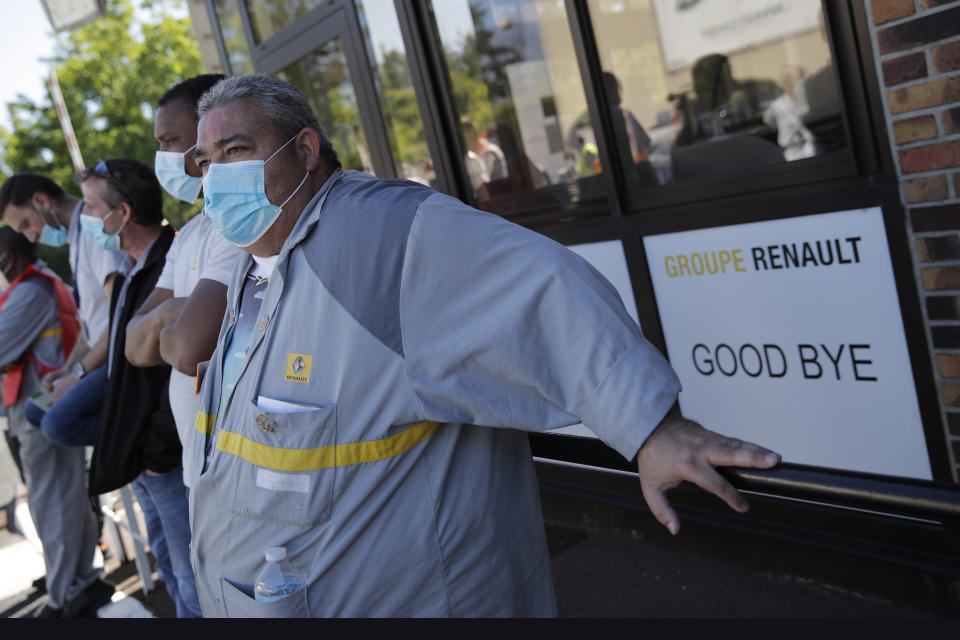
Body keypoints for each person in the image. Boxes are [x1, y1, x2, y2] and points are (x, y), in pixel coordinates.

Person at [187, 74, 780, 617]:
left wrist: (652, 428)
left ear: (306, 150)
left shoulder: (381, 235)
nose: (218, 176)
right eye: (208, 161)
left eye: (237, 151)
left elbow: (543, 286)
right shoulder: (257, 260)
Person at [78, 158, 202, 618]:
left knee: (192, 580)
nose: (85, 218)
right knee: (170, 566)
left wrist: (153, 452)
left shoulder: (167, 262)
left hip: (161, 459)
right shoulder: (135, 272)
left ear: (122, 213)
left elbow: (171, 369)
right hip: (146, 460)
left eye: (92, 207)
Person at [126, 73, 242, 494]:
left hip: (237, 472)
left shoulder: (238, 228)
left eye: (170, 140)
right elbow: (133, 347)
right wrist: (175, 311)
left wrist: (167, 322)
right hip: (201, 477)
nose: (164, 156)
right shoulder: (191, 234)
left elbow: (189, 350)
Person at [0, 227, 114, 617]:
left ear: (8, 254)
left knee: (53, 503)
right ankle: (78, 581)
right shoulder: (41, 283)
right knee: (65, 498)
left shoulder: (31, 290)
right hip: (46, 403)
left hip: (39, 408)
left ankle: (66, 593)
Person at [0, 174, 129, 448]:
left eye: (25, 224)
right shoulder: (77, 237)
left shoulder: (93, 232)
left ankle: (138, 435)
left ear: (42, 201)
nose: (30, 236)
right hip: (99, 355)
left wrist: (80, 372)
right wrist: (67, 369)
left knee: (57, 423)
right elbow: (90, 321)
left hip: (116, 357)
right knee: (36, 409)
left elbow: (121, 312)